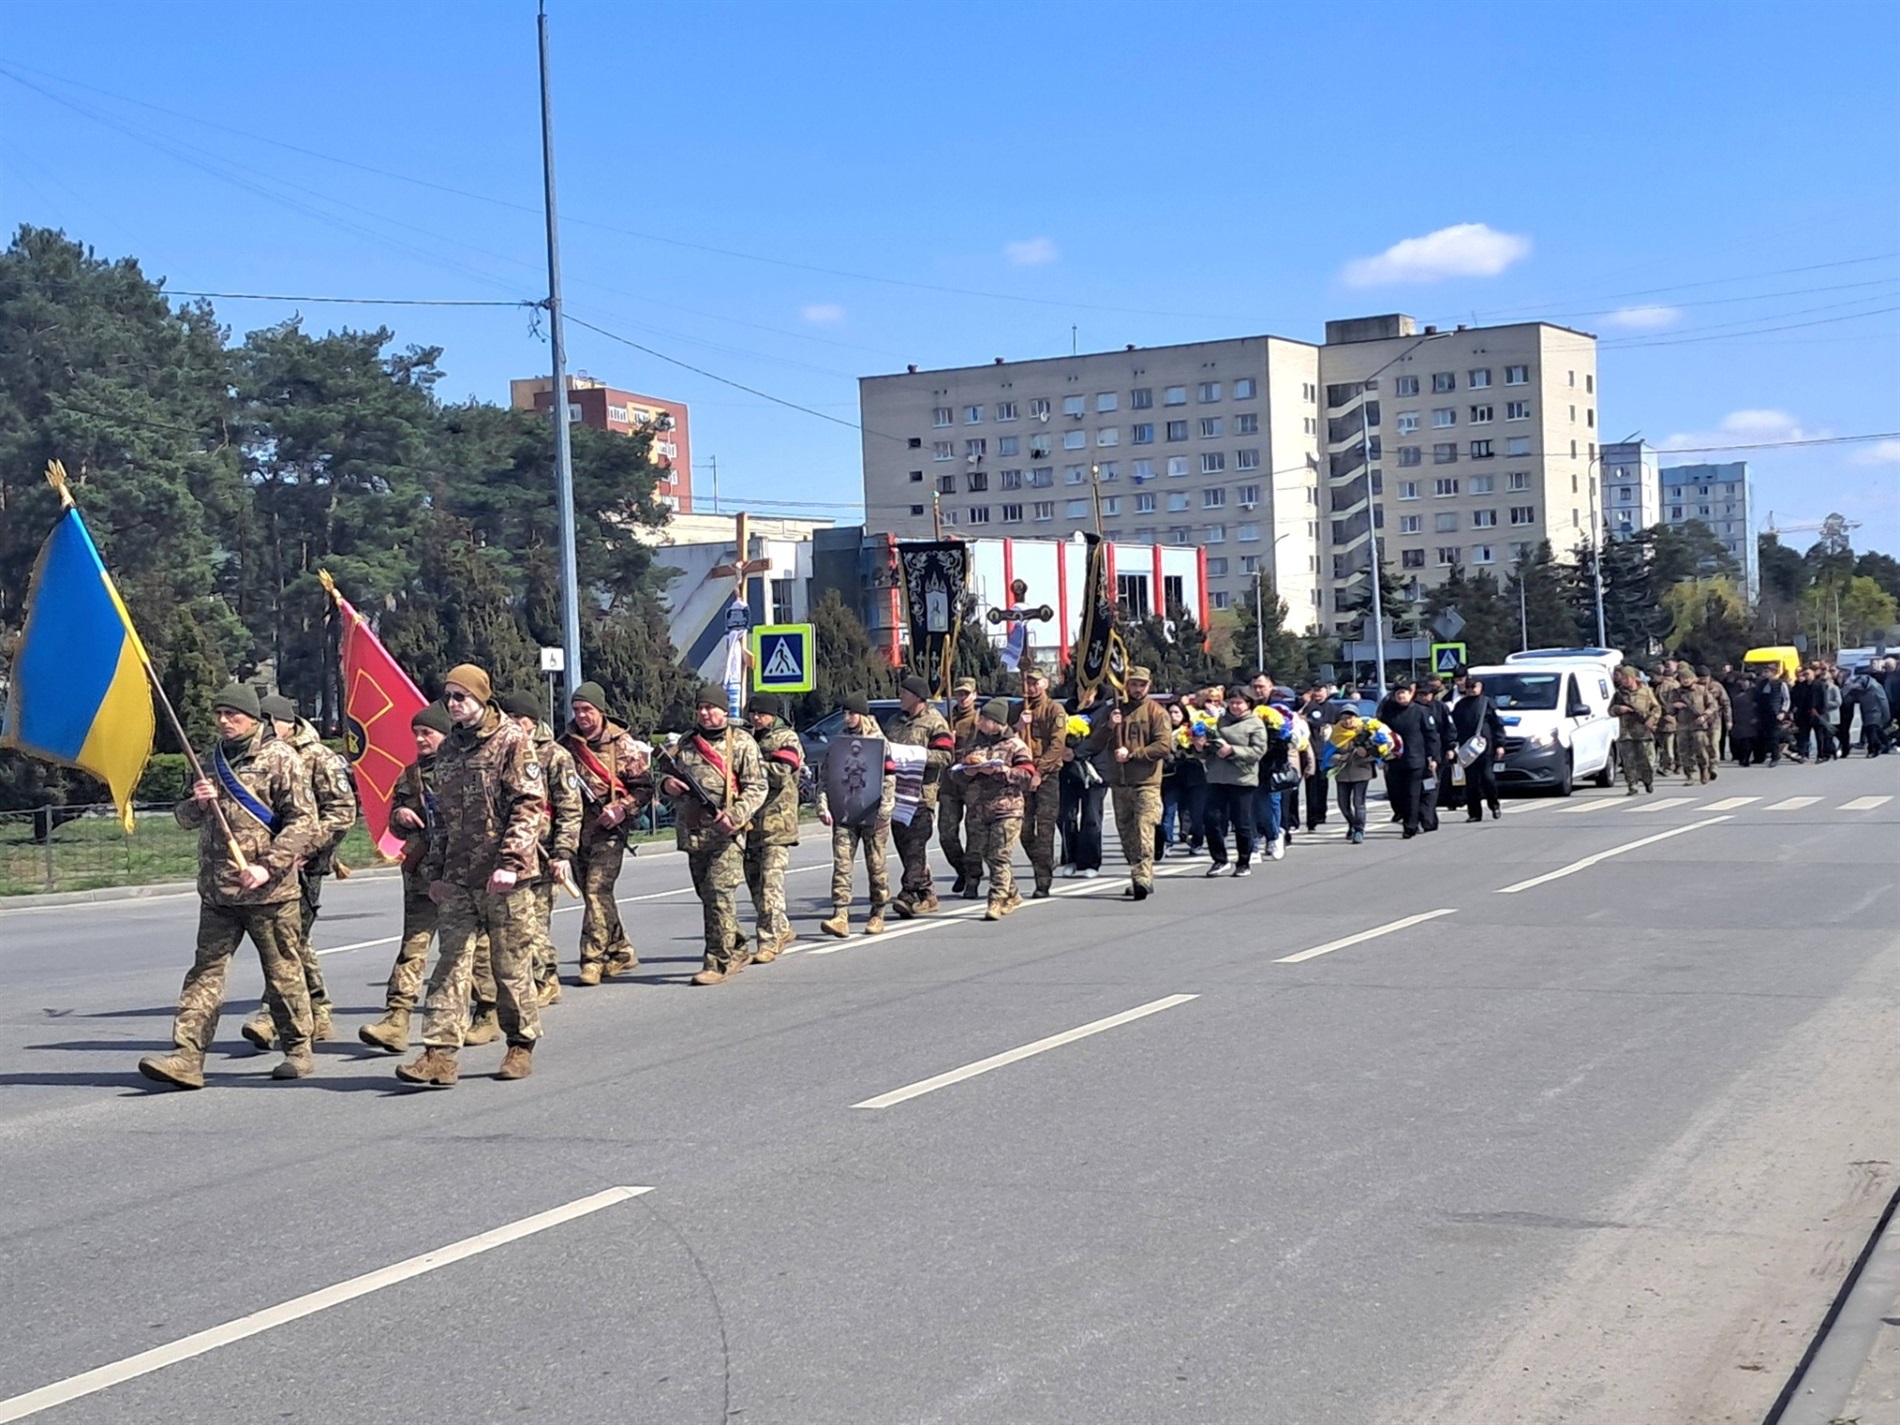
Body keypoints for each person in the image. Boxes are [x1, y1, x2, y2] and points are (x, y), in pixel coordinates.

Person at [138, 684, 323, 1089]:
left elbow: (303, 822)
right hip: (219, 891)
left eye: (233, 714)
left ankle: (297, 1048)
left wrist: (267, 867)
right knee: (205, 974)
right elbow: (184, 818)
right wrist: (198, 803)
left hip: (269, 894)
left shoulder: (279, 758)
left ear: (253, 718)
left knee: (282, 973)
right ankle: (186, 1057)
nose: (224, 721)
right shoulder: (207, 759)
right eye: (219, 713)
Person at [396, 664, 546, 1087]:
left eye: (461, 696)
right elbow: (440, 818)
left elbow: (528, 805)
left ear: (482, 698)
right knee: (451, 964)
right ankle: (439, 1054)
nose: (453, 704)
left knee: (510, 964)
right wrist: (439, 872)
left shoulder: (512, 741)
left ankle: (519, 1044)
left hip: (505, 877)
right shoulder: (447, 752)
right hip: (460, 876)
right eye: (448, 696)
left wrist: (511, 863)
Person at [359, 702, 485, 1053]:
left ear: (445, 734)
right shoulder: (410, 775)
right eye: (416, 733)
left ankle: (487, 1011)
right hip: (421, 875)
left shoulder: (464, 770)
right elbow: (394, 823)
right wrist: (401, 815)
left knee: (466, 950)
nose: (419, 739)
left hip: (459, 875)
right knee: (412, 947)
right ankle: (396, 1019)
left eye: (426, 732)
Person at [239, 693, 357, 1050]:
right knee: (295, 942)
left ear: (289, 724)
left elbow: (342, 811)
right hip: (266, 865)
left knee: (286, 941)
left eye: (272, 722)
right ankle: (318, 1011)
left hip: (304, 865)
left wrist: (305, 849)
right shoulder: (257, 755)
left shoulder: (318, 757)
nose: (267, 728)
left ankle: (270, 1017)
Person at [660, 685, 768, 984]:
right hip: (694, 832)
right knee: (708, 896)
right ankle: (735, 943)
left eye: (711, 708)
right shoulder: (686, 742)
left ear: (724, 710)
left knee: (719, 895)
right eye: (701, 708)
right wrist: (667, 785)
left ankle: (716, 961)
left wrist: (734, 816)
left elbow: (757, 787)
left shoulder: (742, 743)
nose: (705, 713)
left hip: (726, 833)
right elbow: (665, 775)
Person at [498, 691, 582, 1011]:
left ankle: (545, 980)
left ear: (531, 723)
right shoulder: (502, 752)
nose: (511, 725)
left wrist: (562, 853)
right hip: (510, 852)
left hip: (544, 853)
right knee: (513, 925)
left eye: (517, 720)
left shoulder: (555, 756)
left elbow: (570, 809)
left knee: (534, 923)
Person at [564, 682, 651, 987]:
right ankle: (621, 948)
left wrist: (621, 808)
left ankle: (591, 960)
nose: (582, 715)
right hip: (576, 832)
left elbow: (643, 788)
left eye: (587, 709)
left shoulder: (622, 745)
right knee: (596, 897)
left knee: (595, 892)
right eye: (577, 710)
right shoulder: (567, 744)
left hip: (610, 832)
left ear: (600, 711)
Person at [1087, 666, 1175, 901]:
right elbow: (1094, 742)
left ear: (1149, 685)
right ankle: (1138, 875)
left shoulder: (1156, 713)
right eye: (1133, 684)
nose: (1137, 688)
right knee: (1126, 832)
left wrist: (1134, 753)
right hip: (1120, 783)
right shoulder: (1114, 711)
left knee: (1144, 829)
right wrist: (1109, 727)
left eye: (1142, 685)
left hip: (1146, 782)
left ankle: (1143, 878)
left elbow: (1163, 746)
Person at [817, 693, 895, 937]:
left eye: (852, 713)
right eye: (845, 714)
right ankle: (840, 914)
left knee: (876, 864)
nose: (848, 718)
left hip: (873, 813)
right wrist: (822, 805)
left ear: (862, 714)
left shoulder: (879, 744)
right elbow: (826, 778)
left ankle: (877, 912)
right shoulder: (839, 745)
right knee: (842, 863)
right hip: (845, 812)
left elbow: (890, 778)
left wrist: (884, 810)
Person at [953, 698, 1036, 920]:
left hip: (1007, 809)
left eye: (985, 719)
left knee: (1000, 856)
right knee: (988, 855)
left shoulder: (1015, 745)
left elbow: (1028, 775)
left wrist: (1001, 772)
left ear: (996, 722)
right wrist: (967, 772)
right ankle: (1013, 893)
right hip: (980, 809)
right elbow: (957, 774)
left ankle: (996, 900)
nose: (979, 723)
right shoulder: (975, 745)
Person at [887, 676, 955, 918]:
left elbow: (945, 756)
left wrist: (914, 755)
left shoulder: (935, 723)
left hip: (921, 796)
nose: (900, 697)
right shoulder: (895, 722)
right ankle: (926, 893)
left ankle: (908, 894)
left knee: (916, 845)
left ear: (917, 697)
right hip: (896, 795)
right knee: (905, 847)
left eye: (904, 693)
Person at [743, 693, 804, 961]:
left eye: (762, 713)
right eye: (753, 713)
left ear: (773, 714)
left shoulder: (786, 738)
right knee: (755, 885)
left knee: (770, 885)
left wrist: (750, 767)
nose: (756, 718)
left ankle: (768, 941)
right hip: (749, 824)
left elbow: (782, 771)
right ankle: (781, 928)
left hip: (776, 824)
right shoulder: (746, 738)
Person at [1014, 664, 1068, 898]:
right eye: (1028, 682)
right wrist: (1018, 726)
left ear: (1045, 684)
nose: (1031, 687)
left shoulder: (1054, 710)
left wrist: (1039, 771)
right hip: (1022, 775)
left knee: (1044, 829)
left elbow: (1057, 745)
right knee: (1024, 830)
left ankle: (1043, 881)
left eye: (1036, 682)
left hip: (1047, 777)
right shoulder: (1018, 709)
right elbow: (1005, 739)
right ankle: (1043, 862)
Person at [1200, 688, 1265, 876]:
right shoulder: (1219, 722)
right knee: (1211, 819)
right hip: (1216, 778)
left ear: (1248, 704)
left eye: (1240, 703)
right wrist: (1201, 747)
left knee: (1241, 822)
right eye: (1232, 702)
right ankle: (1219, 859)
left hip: (1242, 780)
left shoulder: (1255, 724)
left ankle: (1244, 862)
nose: (1235, 706)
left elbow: (1258, 752)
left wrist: (1233, 750)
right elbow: (1207, 750)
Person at [938, 677, 983, 896]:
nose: (963, 698)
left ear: (975, 695)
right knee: (946, 834)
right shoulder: (946, 719)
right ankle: (962, 870)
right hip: (949, 783)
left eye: (967, 694)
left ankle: (973, 879)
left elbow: (983, 748)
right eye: (959, 694)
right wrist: (947, 741)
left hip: (972, 783)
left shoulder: (979, 720)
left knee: (974, 833)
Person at [1377, 679, 1437, 839]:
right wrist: (1380, 756)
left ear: (1410, 694)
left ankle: (1410, 826)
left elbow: (1431, 736)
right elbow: (1379, 734)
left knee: (1412, 794)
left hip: (1415, 759)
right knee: (1397, 794)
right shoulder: (1388, 711)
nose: (1401, 696)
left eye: (1404, 693)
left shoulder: (1420, 711)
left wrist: (1433, 757)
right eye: (1398, 694)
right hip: (1393, 759)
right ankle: (1406, 817)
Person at [1058, 697, 1107, 878]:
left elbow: (1102, 738)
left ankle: (1090, 861)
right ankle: (1070, 858)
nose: (1085, 695)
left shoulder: (1105, 711)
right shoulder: (1066, 709)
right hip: (1068, 770)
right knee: (1065, 816)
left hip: (1095, 771)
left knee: (1092, 818)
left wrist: (1078, 751)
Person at [1326, 708, 1388, 844]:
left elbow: (1379, 753)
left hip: (1361, 772)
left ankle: (1359, 830)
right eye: (1344, 718)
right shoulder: (1336, 733)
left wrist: (1365, 754)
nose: (1348, 721)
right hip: (1342, 773)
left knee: (1358, 802)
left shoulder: (1367, 730)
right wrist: (1340, 757)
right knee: (1343, 803)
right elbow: (1328, 754)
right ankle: (1352, 823)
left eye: (1351, 717)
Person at [1450, 676, 1508, 819]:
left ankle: (1494, 805)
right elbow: (1453, 728)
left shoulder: (1488, 703)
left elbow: (1498, 726)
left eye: (1474, 686)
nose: (1471, 690)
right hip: (1467, 750)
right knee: (1472, 782)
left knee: (1488, 778)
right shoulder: (1460, 705)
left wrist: (1500, 744)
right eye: (1468, 687)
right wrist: (1453, 746)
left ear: (1481, 687)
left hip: (1485, 748)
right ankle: (1475, 813)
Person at [1607, 668, 1660, 795]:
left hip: (1643, 732)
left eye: (1627, 678)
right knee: (1628, 761)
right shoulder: (1619, 694)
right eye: (1623, 679)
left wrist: (1651, 720)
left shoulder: (1646, 691)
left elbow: (1656, 708)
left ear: (1634, 678)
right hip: (1627, 733)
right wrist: (1619, 709)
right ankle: (1632, 785)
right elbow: (1610, 711)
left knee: (1646, 760)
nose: (1625, 681)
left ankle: (1647, 780)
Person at [1416, 680, 1457, 834]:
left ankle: (1427, 819)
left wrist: (1450, 747)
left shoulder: (1440, 708)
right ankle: (1429, 818)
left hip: (1435, 755)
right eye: (1420, 694)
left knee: (1430, 787)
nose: (1422, 697)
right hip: (1417, 755)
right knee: (1420, 789)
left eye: (1425, 694)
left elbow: (1449, 729)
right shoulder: (1414, 709)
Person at [1666, 672, 1715, 786]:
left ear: (1693, 678)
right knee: (1684, 752)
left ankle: (1704, 769)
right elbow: (1669, 710)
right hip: (1682, 726)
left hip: (1698, 725)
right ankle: (1690, 774)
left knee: (1701, 749)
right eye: (1683, 678)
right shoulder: (1676, 692)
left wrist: (1704, 716)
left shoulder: (1701, 690)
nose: (1685, 680)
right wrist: (1674, 706)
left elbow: (1712, 706)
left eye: (1688, 678)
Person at [1298, 683, 1334, 834]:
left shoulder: (1332, 708)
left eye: (1321, 691)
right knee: (1310, 786)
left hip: (1325, 752)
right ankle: (1312, 818)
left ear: (1326, 692)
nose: (1318, 694)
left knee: (1322, 784)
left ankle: (1321, 813)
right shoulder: (1307, 706)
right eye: (1315, 691)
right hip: (1309, 751)